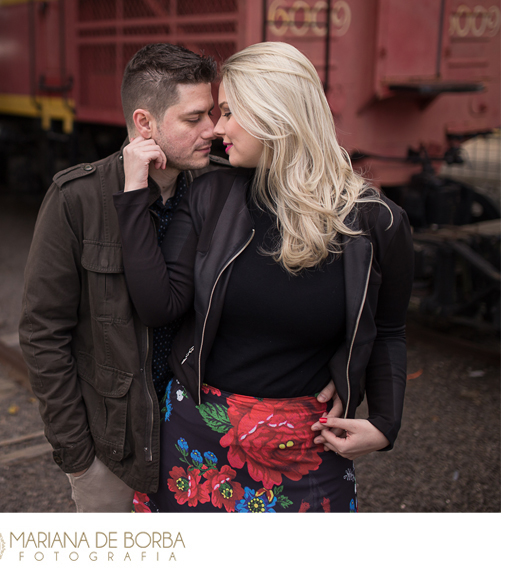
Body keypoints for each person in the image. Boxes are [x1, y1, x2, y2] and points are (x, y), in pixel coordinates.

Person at [20, 42, 343, 513]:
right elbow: (42, 332)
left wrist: (341, 361)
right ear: (145, 124)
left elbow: (293, 290)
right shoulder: (78, 199)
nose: (213, 129)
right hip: (113, 444)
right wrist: (77, 453)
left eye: (213, 112)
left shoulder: (229, 185)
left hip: (198, 432)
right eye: (194, 119)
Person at [114, 42, 414, 512]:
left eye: (231, 112)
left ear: (277, 116)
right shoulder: (211, 196)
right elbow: (158, 305)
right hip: (197, 440)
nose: (217, 128)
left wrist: (385, 423)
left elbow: (389, 331)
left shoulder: (377, 223)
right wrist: (133, 195)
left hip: (307, 447)